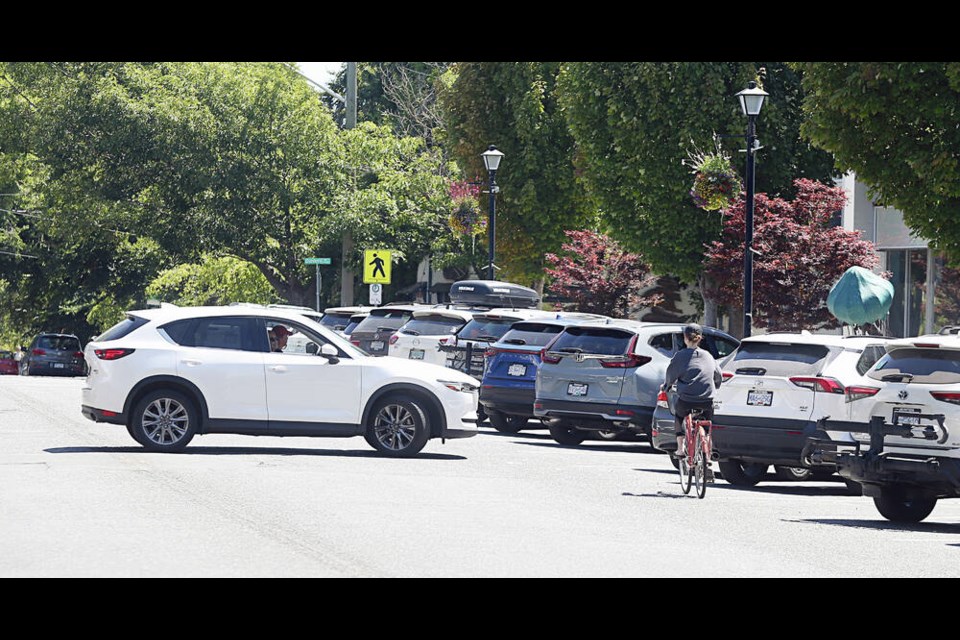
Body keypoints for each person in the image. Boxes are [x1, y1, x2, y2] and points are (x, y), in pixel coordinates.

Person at [662, 323, 723, 466]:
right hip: (707, 399)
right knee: (707, 425)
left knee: (679, 416)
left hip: (687, 400)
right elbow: (718, 375)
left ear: (685, 338)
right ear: (700, 338)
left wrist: (667, 386)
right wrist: (716, 386)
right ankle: (707, 453)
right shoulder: (708, 355)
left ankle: (679, 449)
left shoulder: (680, 356)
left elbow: (671, 374)